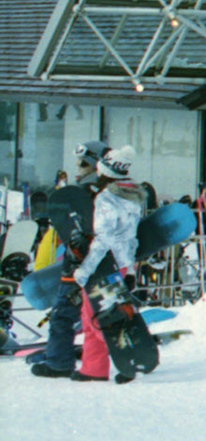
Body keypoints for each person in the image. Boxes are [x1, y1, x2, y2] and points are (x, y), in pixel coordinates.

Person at [31, 141, 139, 382]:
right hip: (102, 263)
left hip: (95, 264)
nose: (78, 167)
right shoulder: (116, 194)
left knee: (97, 317)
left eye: (83, 162)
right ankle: (93, 368)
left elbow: (102, 237)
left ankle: (130, 360)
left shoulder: (102, 196)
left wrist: (85, 265)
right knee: (90, 317)